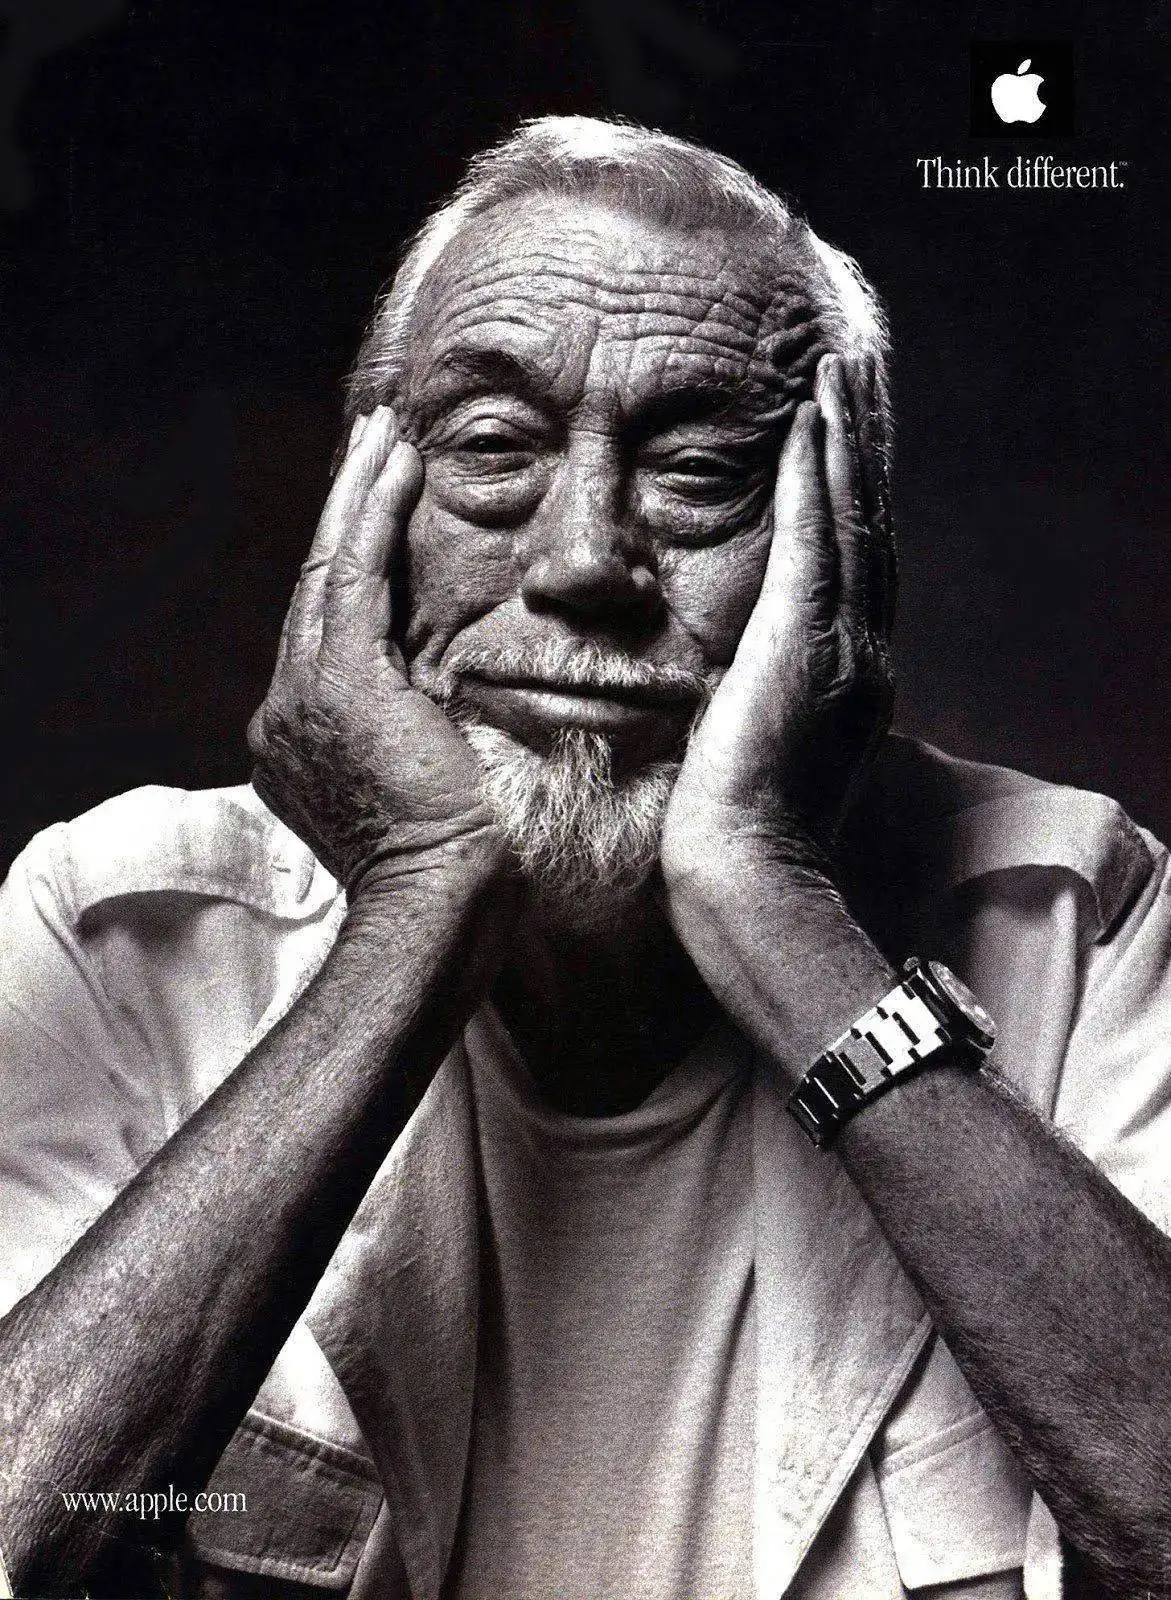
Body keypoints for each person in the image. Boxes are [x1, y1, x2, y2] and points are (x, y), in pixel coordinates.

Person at [0, 116, 1169, 1600]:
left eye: (698, 471)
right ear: (363, 518)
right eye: (493, 451)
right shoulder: (119, 934)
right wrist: (420, 903)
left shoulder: (1074, 912)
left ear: (849, 546)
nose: (580, 565)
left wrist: (773, 901)